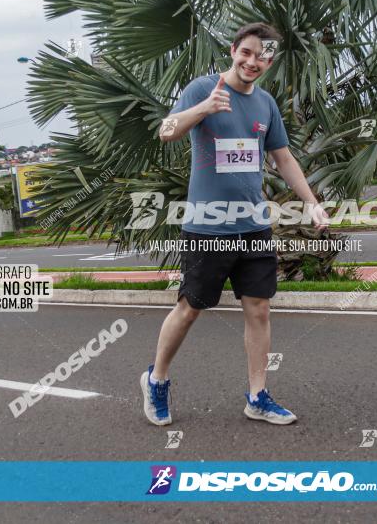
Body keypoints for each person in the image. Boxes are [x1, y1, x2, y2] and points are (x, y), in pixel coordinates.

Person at [140, 22, 329, 426]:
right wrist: (203, 109)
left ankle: (257, 396)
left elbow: (284, 158)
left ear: (270, 61)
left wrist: (311, 203)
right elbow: (166, 131)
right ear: (233, 50)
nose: (253, 61)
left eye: (263, 55)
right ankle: (156, 380)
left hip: (254, 225)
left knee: (259, 309)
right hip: (207, 227)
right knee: (190, 308)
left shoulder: (266, 104)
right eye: (247, 52)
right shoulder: (202, 89)